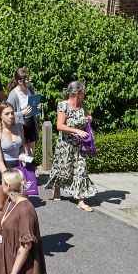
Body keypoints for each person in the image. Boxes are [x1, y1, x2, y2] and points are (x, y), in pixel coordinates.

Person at [48, 80, 97, 212]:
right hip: (66, 144)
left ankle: (81, 200)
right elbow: (59, 126)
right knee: (63, 168)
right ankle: (57, 188)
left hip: (80, 145)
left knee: (81, 169)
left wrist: (89, 118)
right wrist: (76, 130)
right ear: (77, 93)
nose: (84, 94)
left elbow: (86, 116)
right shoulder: (63, 106)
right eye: (83, 92)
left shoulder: (82, 105)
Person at [0, 103, 29, 191]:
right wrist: (8, 177)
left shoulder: (19, 127)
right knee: (2, 204)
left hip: (17, 169)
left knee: (19, 201)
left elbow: (22, 147)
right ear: (0, 116)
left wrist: (23, 156)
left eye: (12, 113)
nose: (10, 116)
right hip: (2, 171)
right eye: (7, 114)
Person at [6, 69, 43, 161]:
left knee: (31, 150)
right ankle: (24, 173)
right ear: (19, 81)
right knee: (24, 152)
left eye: (28, 78)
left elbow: (33, 104)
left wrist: (38, 107)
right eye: (26, 79)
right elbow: (7, 113)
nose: (29, 80)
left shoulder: (30, 89)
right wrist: (22, 113)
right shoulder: (13, 95)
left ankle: (31, 173)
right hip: (20, 124)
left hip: (31, 122)